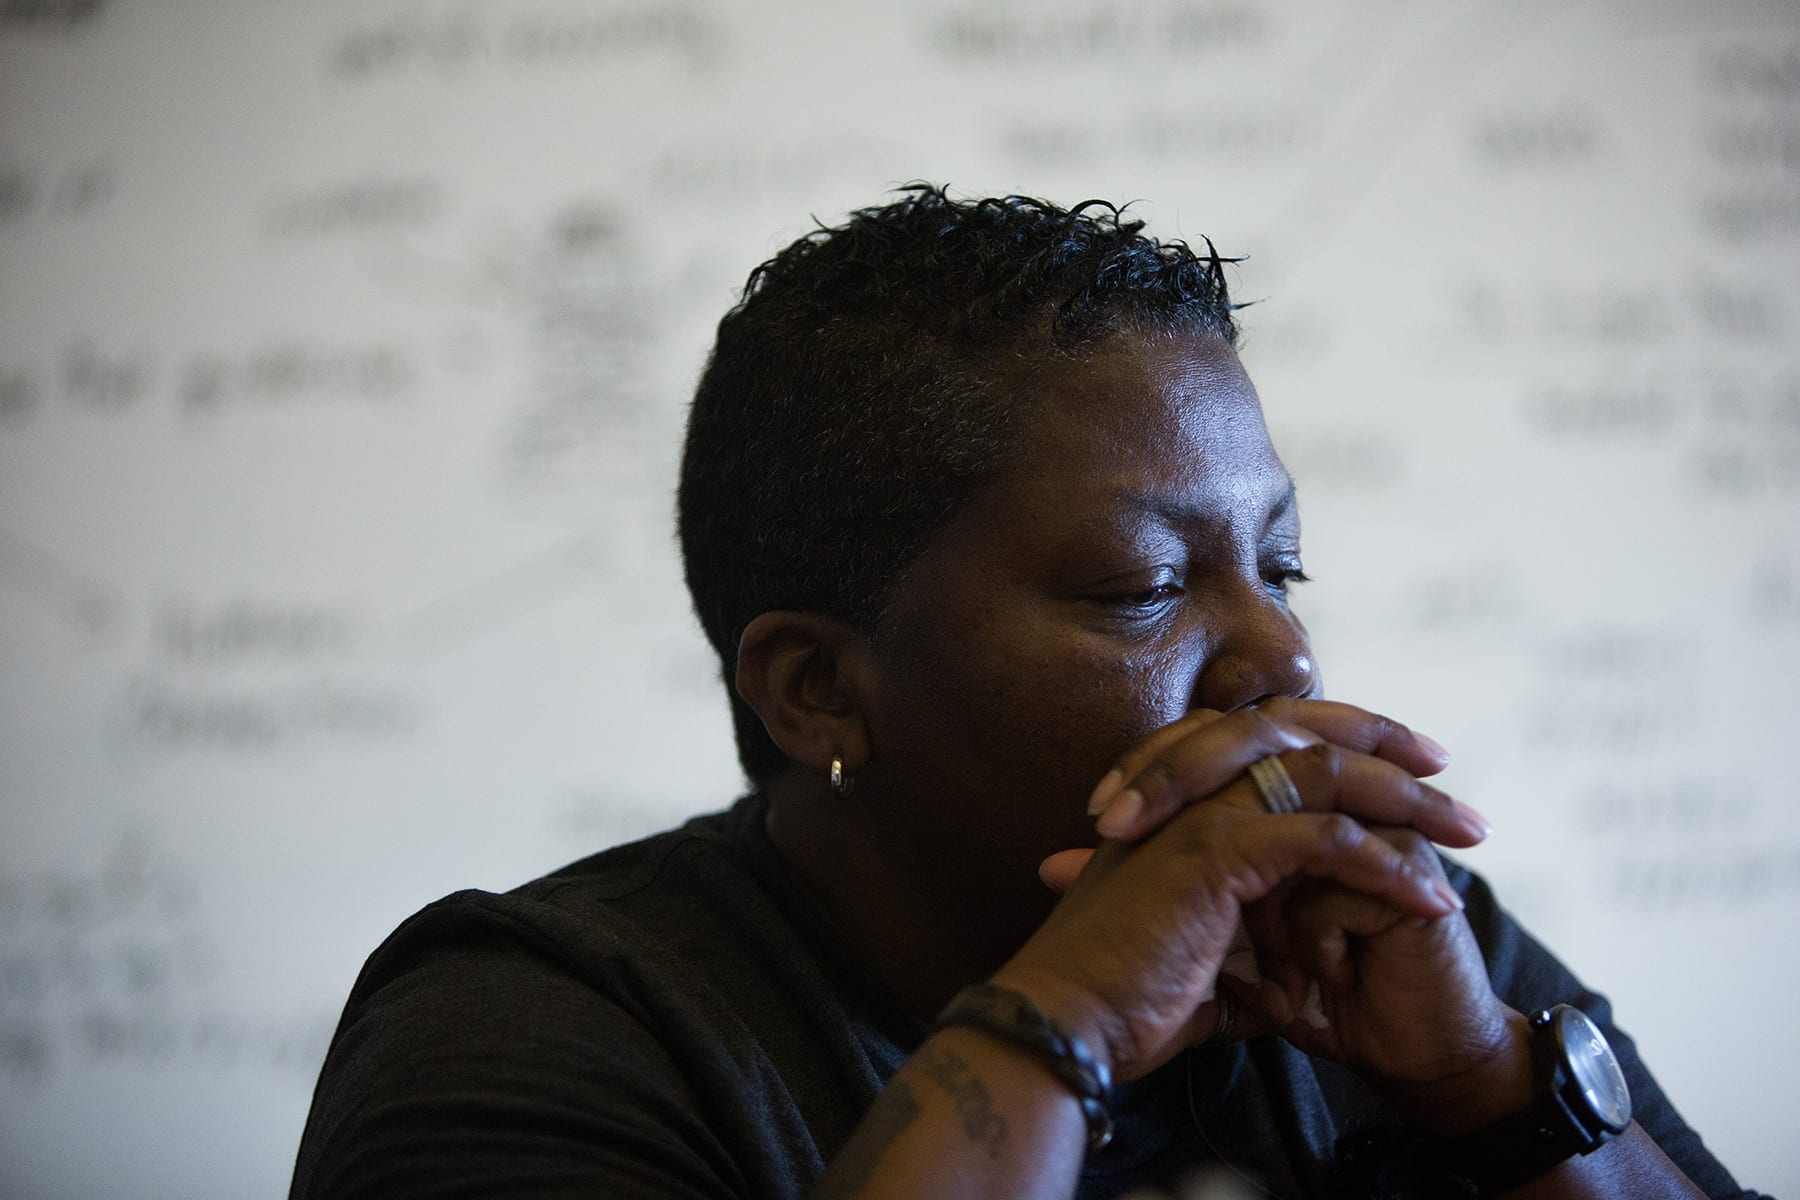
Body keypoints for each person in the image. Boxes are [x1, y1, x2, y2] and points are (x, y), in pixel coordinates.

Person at [291, 187, 1765, 1199]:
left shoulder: (1385, 943)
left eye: (1283, 565)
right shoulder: (541, 1025)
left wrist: (1490, 1089)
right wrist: (1062, 1021)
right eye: (1140, 586)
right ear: (816, 690)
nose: (1284, 660)